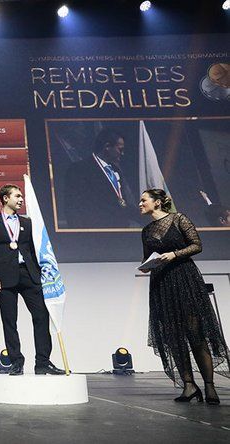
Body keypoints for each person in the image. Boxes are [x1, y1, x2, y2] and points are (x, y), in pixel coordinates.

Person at [139, 188, 229, 404]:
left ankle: (209, 386)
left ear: (158, 202)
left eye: (144, 200)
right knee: (174, 337)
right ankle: (189, 386)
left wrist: (175, 254)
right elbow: (148, 257)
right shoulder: (146, 230)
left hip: (185, 279)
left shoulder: (179, 219)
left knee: (195, 333)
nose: (140, 204)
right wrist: (146, 266)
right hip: (162, 284)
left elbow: (197, 245)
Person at [0, 184, 65, 376]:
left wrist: (45, 272)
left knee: (42, 317)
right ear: (5, 198)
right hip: (4, 278)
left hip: (29, 275)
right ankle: (16, 362)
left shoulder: (28, 223)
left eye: (21, 197)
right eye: (17, 196)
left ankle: (43, 363)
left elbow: (37, 249)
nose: (21, 200)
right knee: (9, 321)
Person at [64, 128, 137, 228]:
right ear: (107, 146)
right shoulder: (79, 169)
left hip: (121, 234)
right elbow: (73, 207)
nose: (122, 153)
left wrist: (151, 217)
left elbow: (123, 204)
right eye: (120, 149)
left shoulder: (116, 170)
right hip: (96, 236)